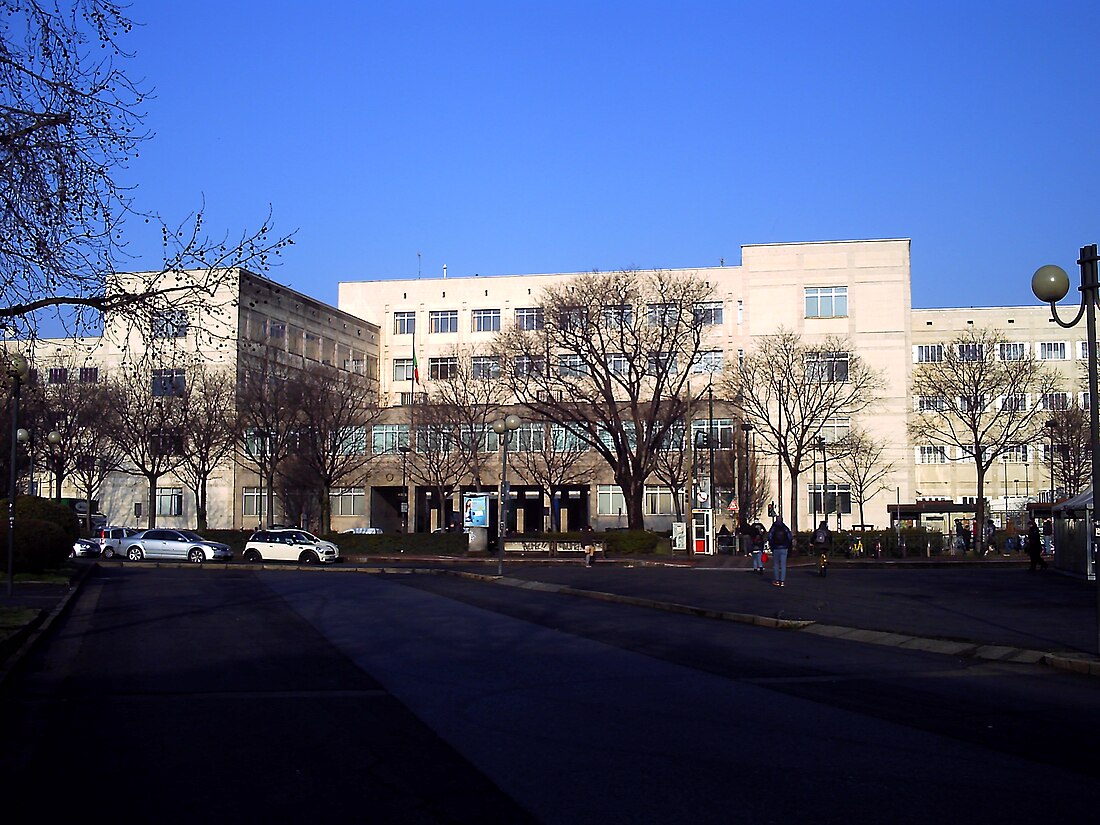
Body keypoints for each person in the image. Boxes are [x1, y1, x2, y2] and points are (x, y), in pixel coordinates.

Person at [767, 515, 793, 587]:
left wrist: (771, 545)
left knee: (776, 565)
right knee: (783, 565)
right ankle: (782, 581)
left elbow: (770, 537)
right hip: (784, 548)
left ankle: (777, 580)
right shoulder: (785, 528)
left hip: (776, 548)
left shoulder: (774, 528)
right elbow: (790, 537)